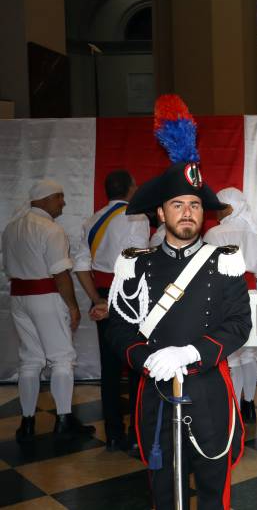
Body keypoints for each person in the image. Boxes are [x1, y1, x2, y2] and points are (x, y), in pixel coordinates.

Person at [105, 94, 251, 509]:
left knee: (213, 491)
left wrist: (193, 351)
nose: (187, 212)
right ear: (160, 214)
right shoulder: (135, 265)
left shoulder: (224, 262)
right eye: (177, 205)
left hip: (208, 391)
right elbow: (118, 327)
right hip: (155, 391)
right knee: (164, 493)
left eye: (193, 205)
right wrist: (143, 358)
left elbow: (239, 323)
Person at [2, 179, 96, 443]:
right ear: (44, 199)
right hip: (46, 297)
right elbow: (60, 274)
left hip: (19, 298)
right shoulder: (50, 230)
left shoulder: (10, 228)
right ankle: (64, 419)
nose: (63, 202)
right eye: (59, 197)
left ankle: (27, 422)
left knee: (30, 360)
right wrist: (73, 306)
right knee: (62, 357)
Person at [73, 169, 149, 451]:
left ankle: (113, 433)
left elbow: (81, 265)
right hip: (130, 295)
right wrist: (122, 300)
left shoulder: (91, 220)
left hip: (103, 296)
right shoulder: (136, 216)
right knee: (135, 362)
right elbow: (136, 260)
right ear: (130, 189)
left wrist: (98, 300)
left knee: (110, 368)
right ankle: (136, 433)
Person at [204, 187, 257, 422]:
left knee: (231, 353)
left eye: (220, 207)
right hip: (250, 291)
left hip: (225, 295)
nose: (217, 212)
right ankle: (249, 404)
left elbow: (206, 268)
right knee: (249, 353)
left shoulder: (214, 233)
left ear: (230, 207)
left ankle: (233, 406)